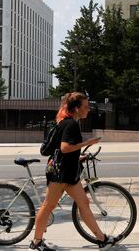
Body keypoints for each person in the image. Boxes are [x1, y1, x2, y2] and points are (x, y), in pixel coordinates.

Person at [28, 92, 119, 251]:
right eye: (86, 107)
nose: (88, 109)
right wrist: (87, 142)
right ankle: (36, 243)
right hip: (61, 174)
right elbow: (64, 148)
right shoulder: (70, 124)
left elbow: (65, 150)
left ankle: (102, 240)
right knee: (48, 206)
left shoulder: (67, 122)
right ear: (77, 108)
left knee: (83, 203)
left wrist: (78, 156)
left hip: (68, 173)